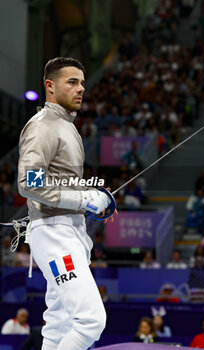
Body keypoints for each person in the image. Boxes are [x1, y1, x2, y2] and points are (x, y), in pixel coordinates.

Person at [18, 57, 116, 350]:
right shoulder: (43, 126)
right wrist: (84, 198)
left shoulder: (65, 125)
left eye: (83, 82)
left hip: (69, 230)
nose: (81, 88)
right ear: (50, 86)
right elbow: (29, 184)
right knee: (90, 320)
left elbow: (60, 182)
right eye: (72, 82)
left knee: (59, 324)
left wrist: (90, 196)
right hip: (53, 231)